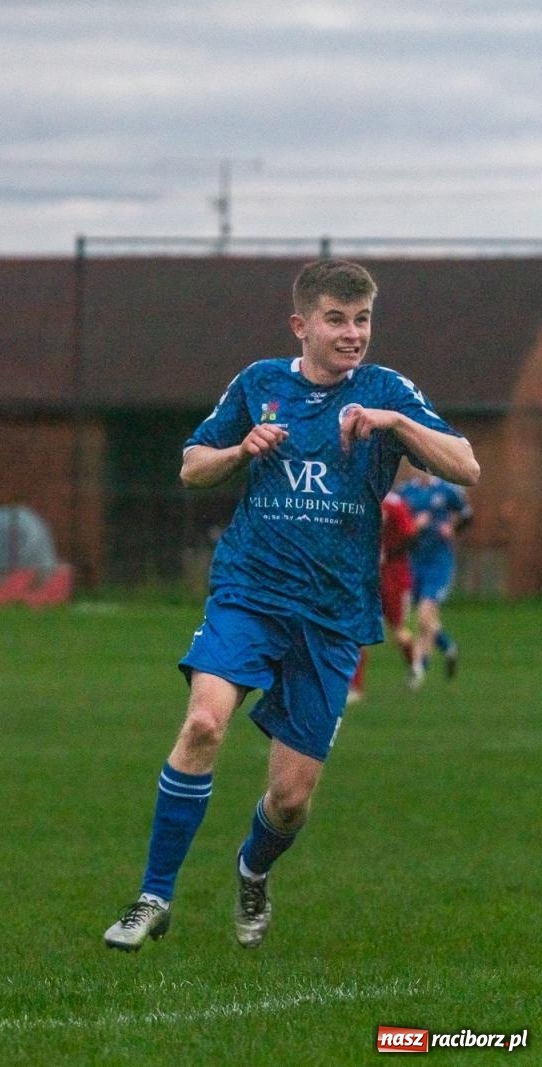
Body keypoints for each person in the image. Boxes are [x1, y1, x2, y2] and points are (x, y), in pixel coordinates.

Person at [101, 259, 478, 952]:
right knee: (204, 725)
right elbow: (191, 465)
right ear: (301, 324)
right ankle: (153, 895)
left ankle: (252, 868)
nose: (352, 333)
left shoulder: (385, 390)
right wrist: (241, 449)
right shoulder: (259, 383)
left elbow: (466, 465)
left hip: (332, 612)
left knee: (291, 799)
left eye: (362, 319)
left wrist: (395, 422)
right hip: (249, 591)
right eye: (337, 318)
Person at [398, 469, 473, 688]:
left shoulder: (447, 491)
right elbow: (398, 525)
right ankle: (448, 646)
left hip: (439, 562)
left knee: (424, 614)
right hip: (414, 561)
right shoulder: (406, 492)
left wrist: (453, 528)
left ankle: (420, 667)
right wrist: (414, 525)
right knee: (424, 617)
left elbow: (467, 515)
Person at [345, 488, 417, 703]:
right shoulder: (356, 498)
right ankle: (355, 688)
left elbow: (412, 538)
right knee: (359, 634)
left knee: (399, 633)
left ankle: (414, 667)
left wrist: (388, 554)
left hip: (395, 578)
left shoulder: (395, 504)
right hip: (367, 579)